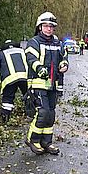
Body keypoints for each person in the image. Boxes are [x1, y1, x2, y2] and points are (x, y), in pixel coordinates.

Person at [24, 11, 68, 155]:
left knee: (50, 114)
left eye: (51, 26)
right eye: (46, 26)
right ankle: (33, 140)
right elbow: (30, 58)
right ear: (40, 26)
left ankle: (46, 142)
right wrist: (40, 69)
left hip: (53, 84)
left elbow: (64, 56)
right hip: (38, 83)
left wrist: (64, 64)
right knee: (42, 113)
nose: (49, 29)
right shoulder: (34, 42)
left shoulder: (57, 42)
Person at [0, 39, 28, 123]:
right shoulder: (22, 51)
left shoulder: (1, 54)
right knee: (27, 94)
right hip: (25, 77)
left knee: (8, 97)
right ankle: (30, 112)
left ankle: (5, 117)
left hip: (10, 79)